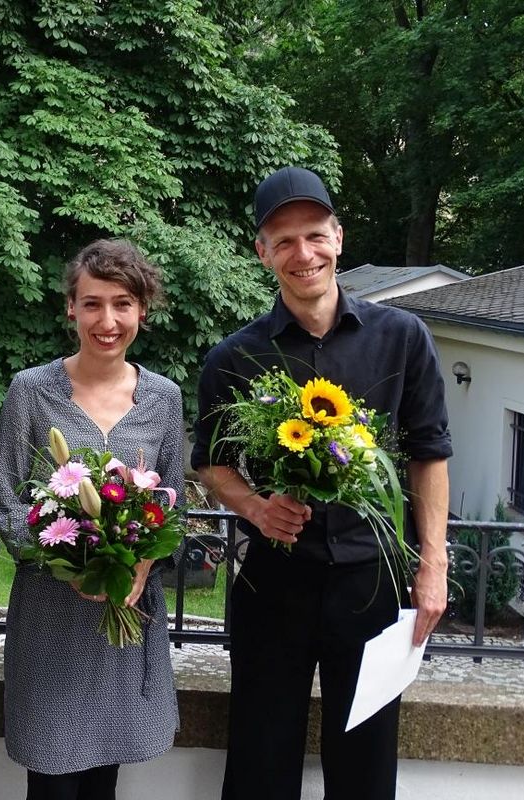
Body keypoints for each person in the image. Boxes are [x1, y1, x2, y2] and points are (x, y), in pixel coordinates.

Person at [191, 166, 451, 800]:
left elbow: (429, 452)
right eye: (283, 241)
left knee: (364, 770)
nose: (301, 254)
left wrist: (434, 564)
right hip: (273, 584)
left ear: (337, 238)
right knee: (259, 764)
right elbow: (211, 462)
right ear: (262, 253)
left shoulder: (403, 339)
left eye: (313, 235)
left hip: (370, 582)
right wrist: (254, 507)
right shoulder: (234, 357)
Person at [0, 239, 185, 800]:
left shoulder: (164, 399)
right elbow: (7, 500)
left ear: (141, 311)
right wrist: (67, 563)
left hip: (125, 621)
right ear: (70, 308)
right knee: (50, 783)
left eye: (122, 303)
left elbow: (175, 500)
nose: (108, 320)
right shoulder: (31, 392)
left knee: (104, 781)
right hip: (51, 622)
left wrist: (143, 564)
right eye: (93, 303)